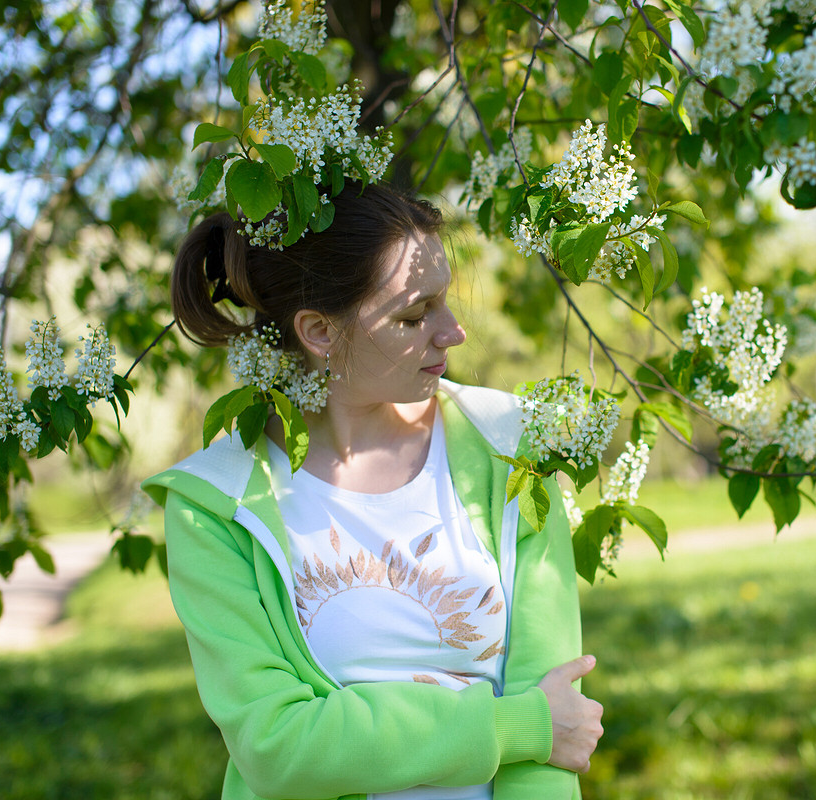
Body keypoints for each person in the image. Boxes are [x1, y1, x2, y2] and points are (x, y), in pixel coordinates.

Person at [141, 182, 603, 800]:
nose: (454, 333)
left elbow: (550, 709)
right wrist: (517, 726)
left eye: (444, 302)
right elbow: (277, 746)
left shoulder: (511, 446)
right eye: (415, 315)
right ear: (319, 332)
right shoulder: (216, 506)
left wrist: (540, 732)